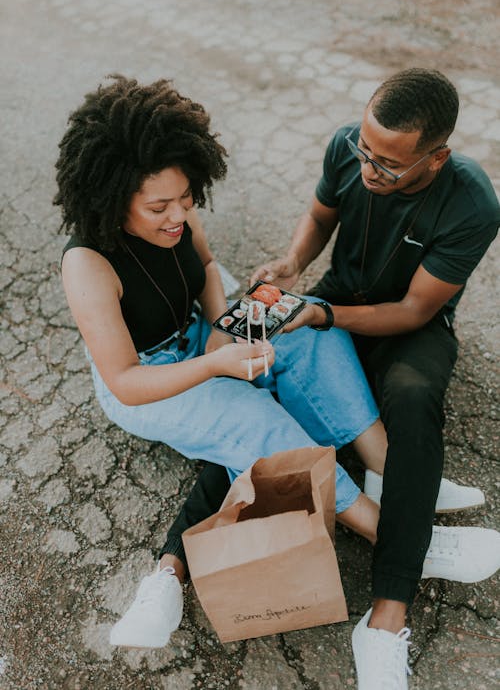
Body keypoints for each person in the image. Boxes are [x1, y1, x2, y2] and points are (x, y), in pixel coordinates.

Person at [111, 69, 499, 687]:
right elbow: (319, 217)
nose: (369, 169)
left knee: (407, 394)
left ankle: (389, 570)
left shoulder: (473, 202)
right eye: (364, 152)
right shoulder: (350, 148)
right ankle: (407, 534)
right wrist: (292, 265)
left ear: (437, 156)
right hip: (323, 308)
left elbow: (415, 311)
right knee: (257, 421)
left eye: (389, 166)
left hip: (404, 322)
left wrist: (309, 314)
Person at [55, 73, 401, 645]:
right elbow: (124, 381)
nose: (178, 216)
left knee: (310, 324)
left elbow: (209, 269)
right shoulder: (86, 265)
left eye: (186, 199)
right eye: (159, 207)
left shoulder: (180, 212)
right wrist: (216, 364)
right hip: (148, 376)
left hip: (197, 332)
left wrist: (221, 326)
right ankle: (391, 538)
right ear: (113, 199)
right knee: (253, 420)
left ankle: (390, 469)